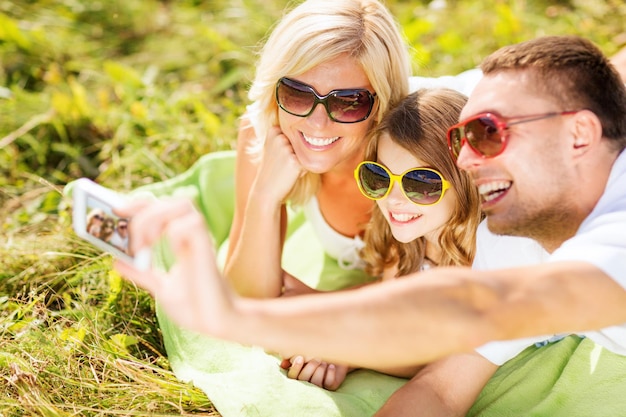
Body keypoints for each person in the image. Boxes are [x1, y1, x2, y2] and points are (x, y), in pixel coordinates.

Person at [116, 35, 626, 414]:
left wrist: (233, 318)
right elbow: (439, 385)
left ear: (579, 134)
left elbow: (470, 309)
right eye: (464, 135)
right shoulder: (505, 230)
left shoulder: (610, 243)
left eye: (488, 134)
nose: (466, 161)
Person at [283, 88, 489, 397]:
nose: (393, 199)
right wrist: (319, 304)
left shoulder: (491, 257)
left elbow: (435, 351)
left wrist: (346, 353)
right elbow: (390, 300)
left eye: (419, 183)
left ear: (467, 181)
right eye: (379, 177)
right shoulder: (411, 236)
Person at [222, 0, 411, 299]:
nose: (318, 124)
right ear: (274, 90)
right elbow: (243, 294)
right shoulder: (264, 131)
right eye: (297, 94)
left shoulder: (415, 144)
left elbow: (417, 293)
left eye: (348, 102)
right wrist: (265, 196)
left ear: (381, 104)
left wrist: (319, 303)